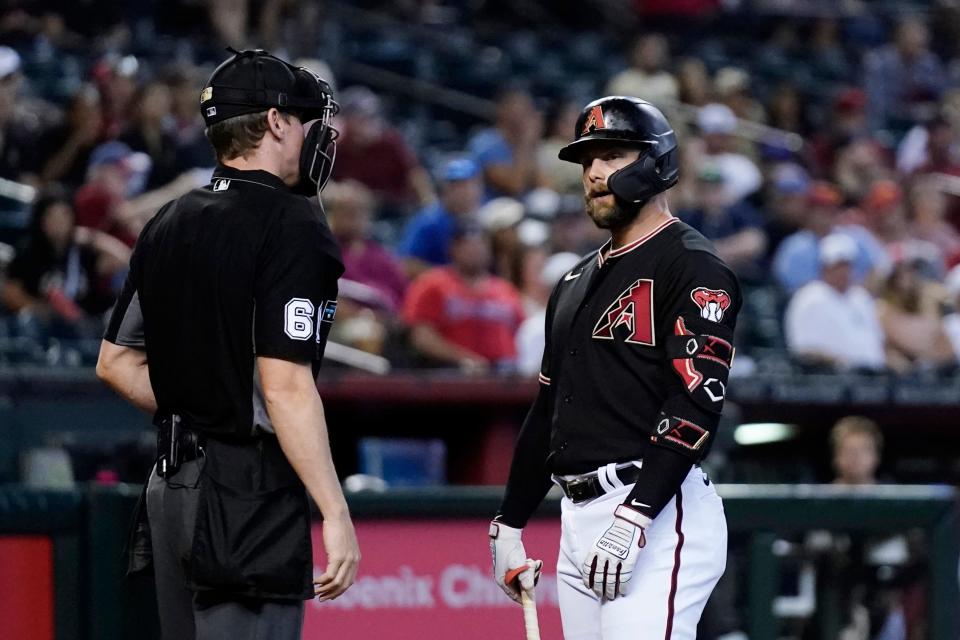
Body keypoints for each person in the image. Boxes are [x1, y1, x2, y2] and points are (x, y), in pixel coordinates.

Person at [94, 49, 359, 640]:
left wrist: (201, 411)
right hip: (246, 493)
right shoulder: (293, 223)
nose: (317, 134)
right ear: (275, 122)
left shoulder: (170, 216)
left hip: (169, 488)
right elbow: (285, 386)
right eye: (306, 118)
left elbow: (115, 363)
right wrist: (335, 510)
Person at [489, 96, 740, 639]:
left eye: (612, 155)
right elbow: (548, 409)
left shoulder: (690, 263)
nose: (595, 173)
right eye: (587, 161)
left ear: (656, 163)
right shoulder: (574, 281)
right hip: (577, 518)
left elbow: (695, 402)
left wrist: (637, 513)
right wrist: (509, 520)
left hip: (657, 513)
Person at [402, 220, 525, 373]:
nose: (474, 249)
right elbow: (421, 337)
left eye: (480, 244)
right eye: (466, 244)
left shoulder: (505, 289)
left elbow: (523, 334)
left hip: (505, 375)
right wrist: (462, 358)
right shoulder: (432, 284)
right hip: (451, 374)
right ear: (452, 249)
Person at [784, 234, 886, 371]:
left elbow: (877, 343)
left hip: (873, 378)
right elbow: (804, 349)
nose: (844, 271)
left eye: (847, 265)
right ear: (824, 267)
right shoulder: (810, 297)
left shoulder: (860, 297)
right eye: (838, 265)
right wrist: (844, 363)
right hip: (829, 379)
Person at [398, 157, 482, 277]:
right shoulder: (429, 221)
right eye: (457, 186)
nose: (466, 191)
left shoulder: (487, 217)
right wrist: (448, 280)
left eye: (470, 184)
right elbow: (407, 265)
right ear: (444, 189)